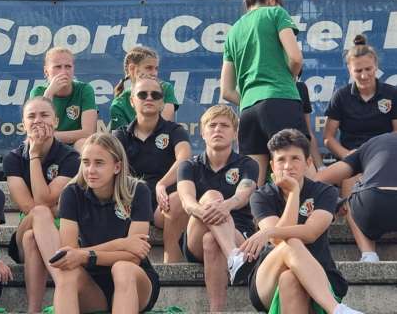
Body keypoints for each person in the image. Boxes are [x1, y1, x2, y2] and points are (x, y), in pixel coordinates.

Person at [242, 129, 361, 314]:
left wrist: (270, 231)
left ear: (308, 162)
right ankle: (337, 310)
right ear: (272, 166)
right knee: (290, 242)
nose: (287, 166)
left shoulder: (325, 192)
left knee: (291, 278)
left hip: (320, 277)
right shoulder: (260, 196)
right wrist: (294, 194)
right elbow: (278, 242)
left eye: (295, 159)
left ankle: (334, 307)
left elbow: (311, 233)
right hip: (269, 278)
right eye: (281, 160)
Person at [50, 133, 160, 313]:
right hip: (92, 284)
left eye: (99, 163)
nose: (90, 170)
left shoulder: (138, 190)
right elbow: (69, 254)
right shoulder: (71, 193)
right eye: (86, 162)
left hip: (134, 280)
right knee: (66, 271)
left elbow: (134, 256)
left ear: (117, 167)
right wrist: (121, 244)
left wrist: (87, 255)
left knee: (122, 268)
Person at [177, 105, 259, 311]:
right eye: (212, 126)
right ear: (203, 133)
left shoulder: (248, 164)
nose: (217, 130)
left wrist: (227, 206)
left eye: (224, 125)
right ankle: (234, 256)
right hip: (197, 229)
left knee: (211, 239)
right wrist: (208, 209)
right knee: (212, 196)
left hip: (239, 231)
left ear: (235, 133)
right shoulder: (189, 165)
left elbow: (244, 193)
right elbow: (187, 201)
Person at [323, 34, 397, 261]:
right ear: (349, 71)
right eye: (358, 71)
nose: (364, 75)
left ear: (376, 67)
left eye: (368, 69)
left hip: (384, 156)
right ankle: (368, 253)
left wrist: (377, 158)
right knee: (349, 179)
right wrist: (350, 156)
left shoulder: (391, 94)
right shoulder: (341, 96)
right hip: (352, 157)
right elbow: (328, 138)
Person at [3, 96, 80, 312]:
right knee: (37, 217)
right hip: (26, 226)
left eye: (44, 115)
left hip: (58, 233)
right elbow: (32, 206)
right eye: (32, 116)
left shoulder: (71, 157)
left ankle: (33, 310)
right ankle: (64, 282)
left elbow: (47, 200)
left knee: (32, 239)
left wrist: (34, 157)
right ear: (23, 124)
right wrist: (34, 156)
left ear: (55, 121)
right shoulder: (14, 158)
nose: (38, 121)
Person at [220, 0, 307, 186]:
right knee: (297, 167)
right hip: (280, 98)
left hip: (248, 111)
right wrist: (289, 79)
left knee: (252, 182)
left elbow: (226, 90)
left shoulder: (233, 31)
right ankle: (309, 215)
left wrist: (252, 98)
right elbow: (296, 58)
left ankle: (253, 216)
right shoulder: (276, 13)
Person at [113, 75, 192, 263]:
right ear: (132, 101)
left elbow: (185, 158)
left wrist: (162, 185)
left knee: (177, 201)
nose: (149, 98)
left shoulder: (175, 130)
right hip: (131, 203)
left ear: (162, 103)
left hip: (162, 205)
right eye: (142, 94)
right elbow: (109, 166)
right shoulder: (120, 134)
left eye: (155, 95)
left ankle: (171, 263)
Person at [316, 132, 397, 262]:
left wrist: (336, 202)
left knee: (349, 200)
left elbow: (319, 179)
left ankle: (369, 254)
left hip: (372, 203)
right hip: (373, 201)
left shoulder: (373, 143)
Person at [29, 46, 97, 152]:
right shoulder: (38, 92)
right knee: (36, 144)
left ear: (73, 69)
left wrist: (51, 135)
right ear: (46, 71)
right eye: (58, 67)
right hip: (48, 146)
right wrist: (49, 94)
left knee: (83, 143)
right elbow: (38, 133)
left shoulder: (84, 89)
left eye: (68, 66)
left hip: (74, 145)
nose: (64, 72)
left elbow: (88, 132)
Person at [110, 46, 179, 130]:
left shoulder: (166, 88)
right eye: (149, 68)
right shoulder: (118, 104)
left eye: (156, 68)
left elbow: (164, 129)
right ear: (132, 69)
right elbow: (121, 140)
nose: (154, 73)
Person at [296, 72, 325, 173]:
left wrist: (321, 167)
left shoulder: (300, 88)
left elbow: (308, 133)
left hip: (298, 153)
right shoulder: (266, 90)